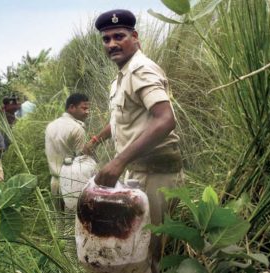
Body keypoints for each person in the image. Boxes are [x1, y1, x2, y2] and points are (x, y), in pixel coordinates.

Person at [83, 9, 183, 273]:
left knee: (151, 252)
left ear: (135, 37)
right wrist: (97, 140)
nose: (112, 44)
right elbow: (121, 120)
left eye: (119, 36)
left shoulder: (141, 69)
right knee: (136, 248)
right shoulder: (121, 78)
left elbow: (165, 119)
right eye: (106, 39)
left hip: (156, 174)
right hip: (139, 173)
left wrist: (118, 162)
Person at [45, 93, 90, 211]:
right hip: (72, 184)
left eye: (88, 109)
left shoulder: (51, 125)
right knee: (72, 222)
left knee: (59, 222)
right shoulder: (77, 128)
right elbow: (82, 160)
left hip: (54, 181)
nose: (87, 112)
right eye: (84, 108)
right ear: (71, 107)